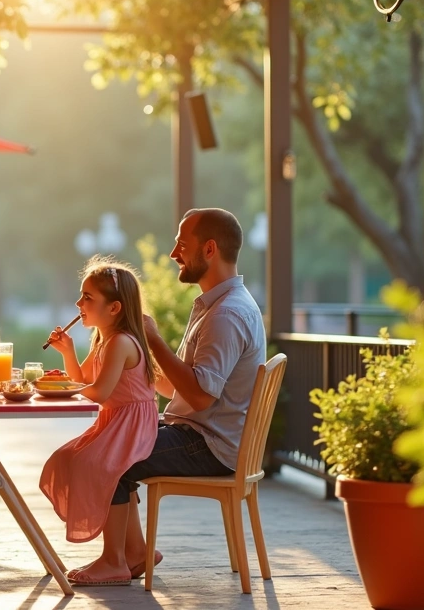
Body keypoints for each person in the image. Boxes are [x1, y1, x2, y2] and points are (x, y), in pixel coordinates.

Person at [63, 207, 266, 586]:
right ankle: (136, 553)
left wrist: (153, 340)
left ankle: (114, 561)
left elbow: (202, 397)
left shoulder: (227, 314)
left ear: (209, 250)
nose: (174, 253)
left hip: (209, 443)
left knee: (107, 456)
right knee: (108, 440)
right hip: (200, 430)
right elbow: (181, 389)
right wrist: (138, 376)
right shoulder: (214, 306)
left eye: (181, 244)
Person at [38, 258, 159, 552]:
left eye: (88, 297)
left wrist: (63, 389)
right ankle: (137, 552)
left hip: (131, 426)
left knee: (92, 464)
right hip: (115, 422)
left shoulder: (121, 342)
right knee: (66, 457)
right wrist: (68, 352)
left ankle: (114, 558)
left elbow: (99, 393)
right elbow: (83, 379)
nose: (79, 303)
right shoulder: (104, 340)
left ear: (114, 307)